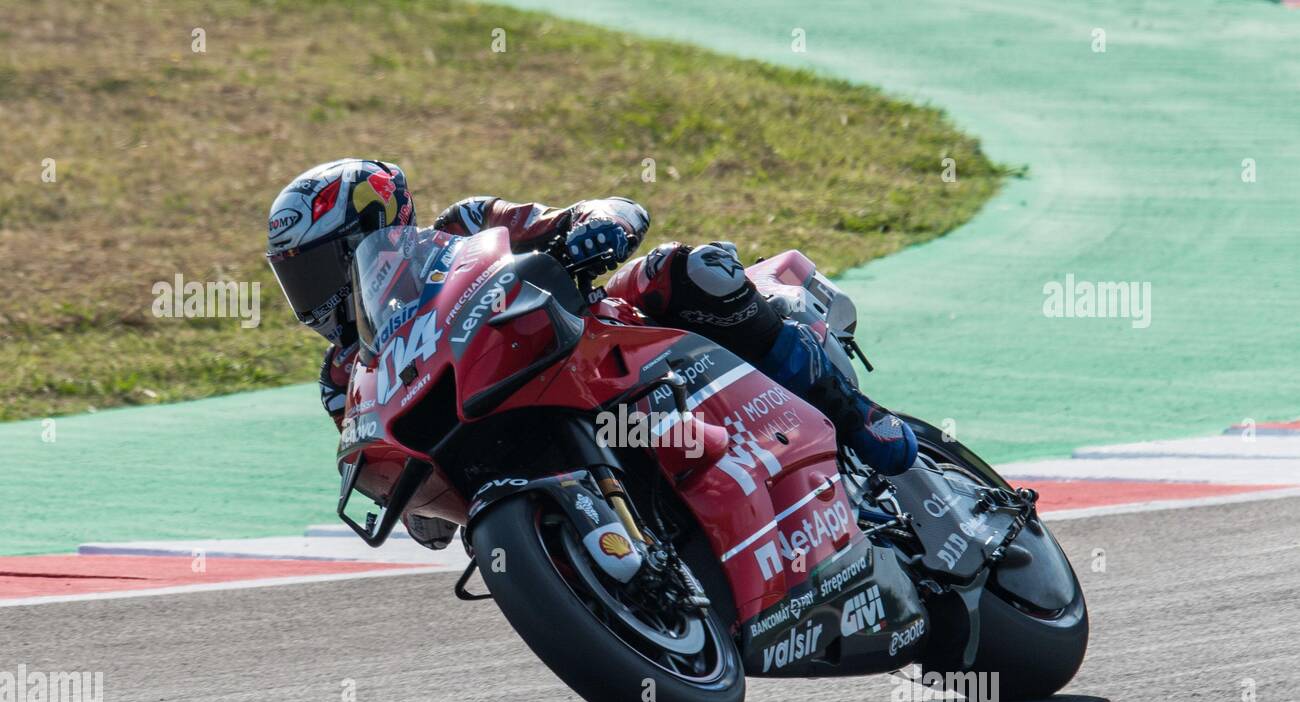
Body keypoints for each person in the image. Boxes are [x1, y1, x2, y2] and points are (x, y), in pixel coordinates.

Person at [266, 158, 917, 479]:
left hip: (598, 344)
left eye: (323, 271)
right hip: (508, 451)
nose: (315, 298)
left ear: (378, 232)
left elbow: (611, 208)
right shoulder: (346, 379)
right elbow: (382, 472)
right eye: (297, 279)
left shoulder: (463, 229)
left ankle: (853, 413)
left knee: (686, 270)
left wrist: (595, 230)